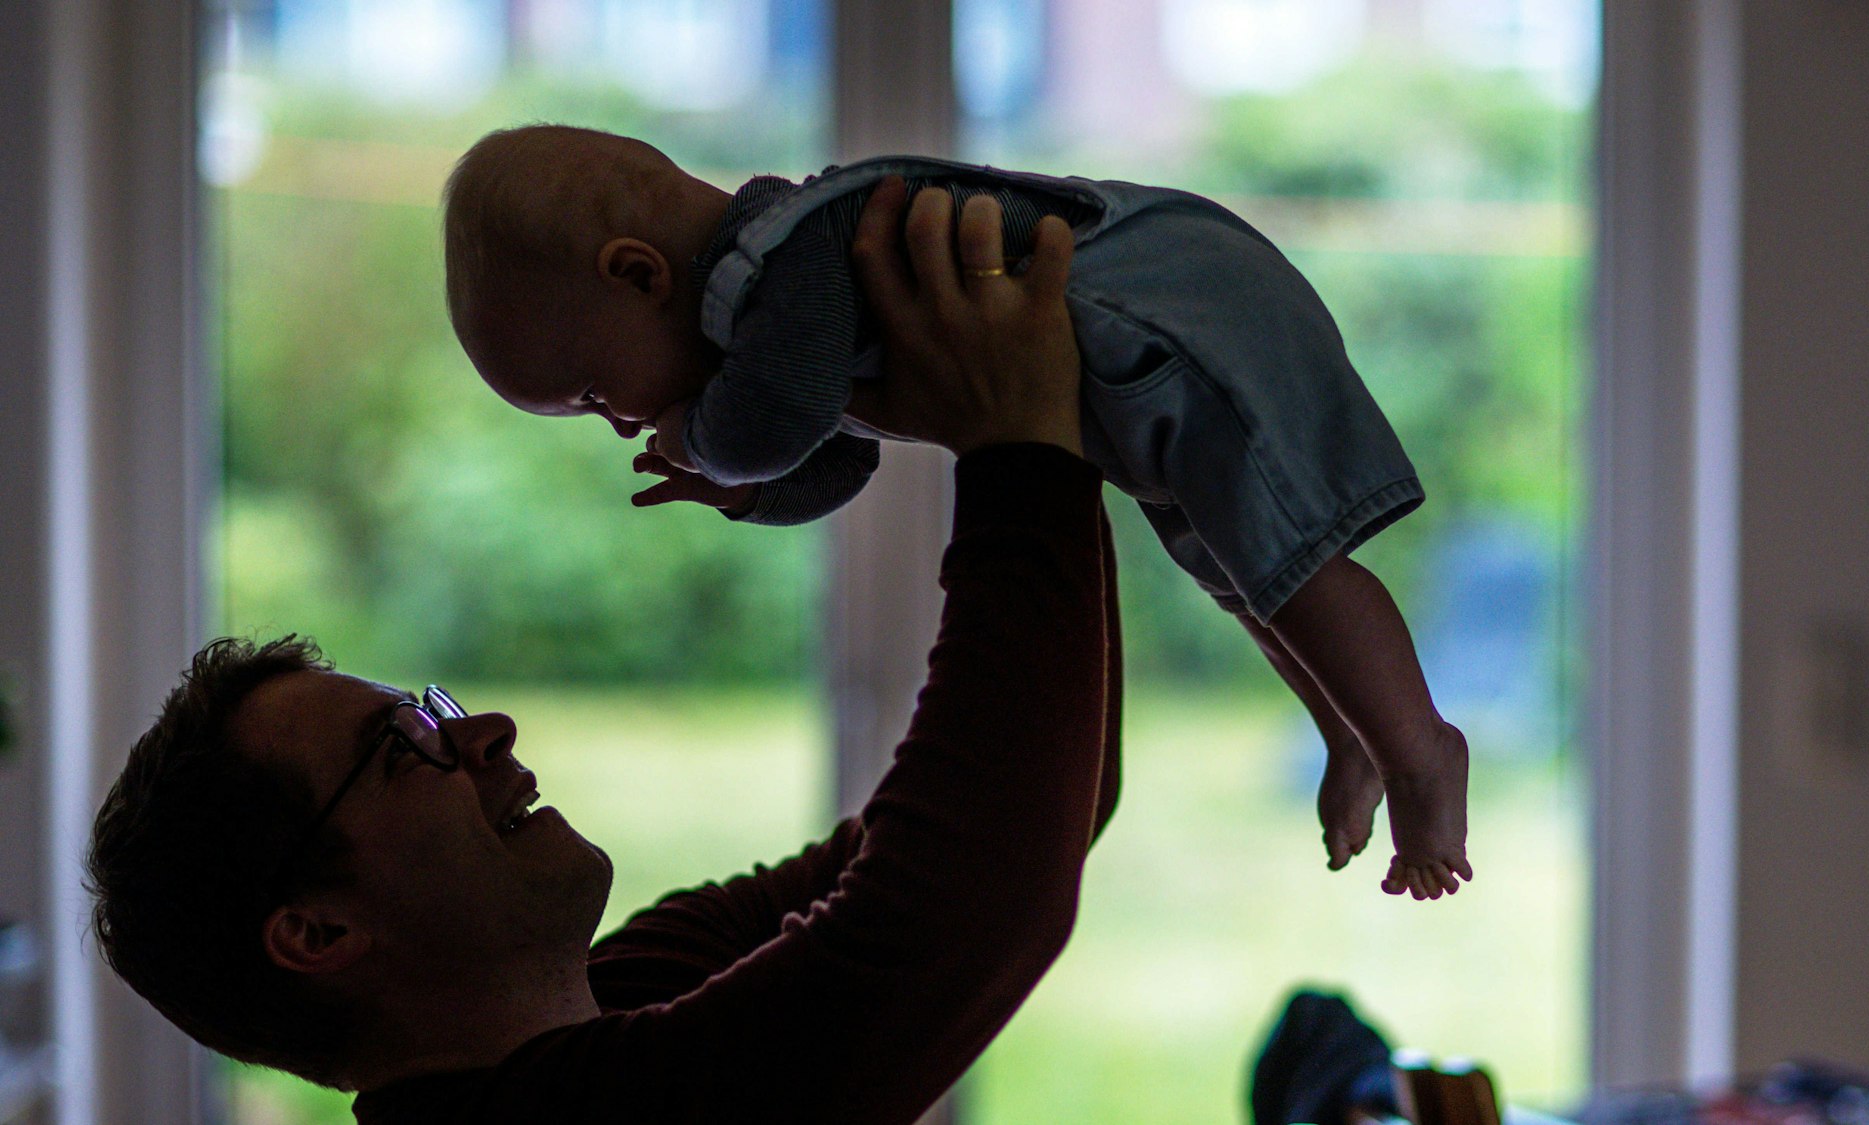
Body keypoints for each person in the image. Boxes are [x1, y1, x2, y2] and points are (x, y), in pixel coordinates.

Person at [86, 186, 1123, 1121]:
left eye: (434, 709)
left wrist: (1050, 432)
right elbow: (955, 908)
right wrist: (1016, 449)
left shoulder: (625, 992)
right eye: (409, 746)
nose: (484, 732)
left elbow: (1035, 812)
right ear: (316, 933)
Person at [441, 124, 1472, 899]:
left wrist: (708, 443)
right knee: (1247, 571)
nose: (615, 422)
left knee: (1290, 556)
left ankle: (1419, 750)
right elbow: (836, 454)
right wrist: (752, 489)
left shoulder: (788, 257)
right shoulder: (784, 311)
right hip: (1139, 363)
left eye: (588, 393)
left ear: (638, 273)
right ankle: (1351, 731)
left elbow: (783, 413)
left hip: (1174, 312)